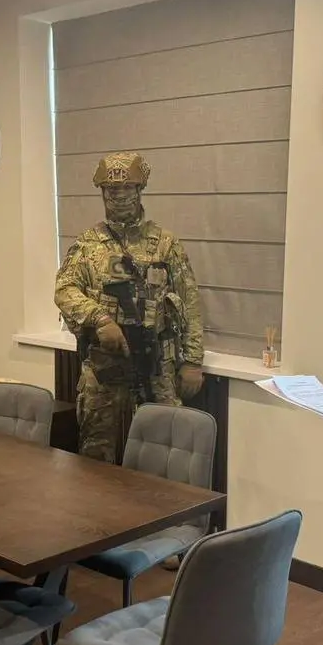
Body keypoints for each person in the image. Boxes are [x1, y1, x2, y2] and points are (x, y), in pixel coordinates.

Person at [54, 150, 205, 464]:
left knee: (163, 453)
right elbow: (64, 290)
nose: (119, 196)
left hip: (156, 366)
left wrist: (192, 361)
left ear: (140, 189)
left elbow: (189, 301)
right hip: (105, 368)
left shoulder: (165, 243)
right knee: (95, 457)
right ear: (102, 192)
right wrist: (100, 319)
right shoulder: (87, 244)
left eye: (126, 188)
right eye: (111, 189)